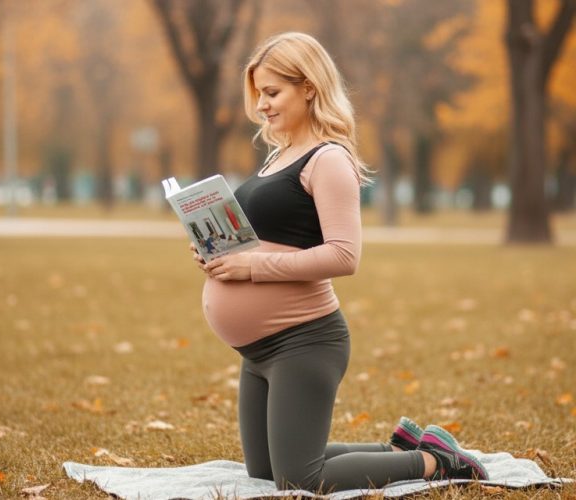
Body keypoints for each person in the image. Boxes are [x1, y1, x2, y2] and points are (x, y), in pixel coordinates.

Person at [190, 32, 489, 493]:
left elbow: (344, 255)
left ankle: (434, 461)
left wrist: (251, 269)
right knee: (264, 471)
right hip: (258, 352)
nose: (261, 105)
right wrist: (217, 253)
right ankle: (397, 449)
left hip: (302, 341)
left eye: (272, 92)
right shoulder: (277, 156)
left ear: (308, 87)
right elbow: (273, 241)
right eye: (258, 95)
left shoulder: (328, 158)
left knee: (299, 478)